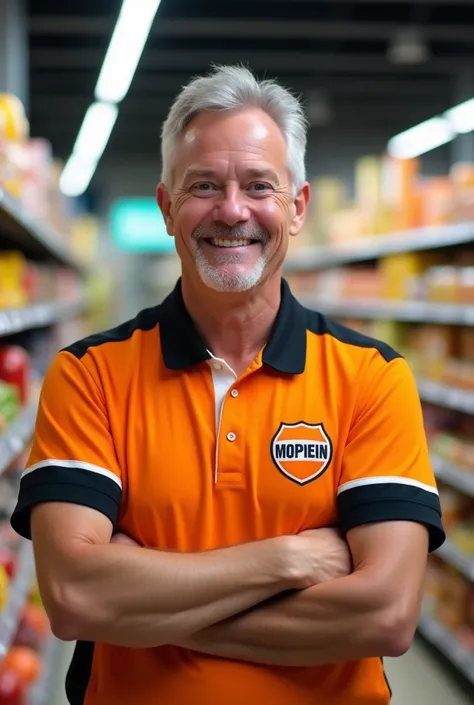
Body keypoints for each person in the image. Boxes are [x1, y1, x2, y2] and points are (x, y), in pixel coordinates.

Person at [11, 65, 445, 705]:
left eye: (259, 186)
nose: (233, 210)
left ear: (295, 208)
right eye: (203, 186)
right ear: (166, 208)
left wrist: (147, 607)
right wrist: (286, 562)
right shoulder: (89, 376)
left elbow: (384, 615)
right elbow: (76, 600)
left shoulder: (372, 377)